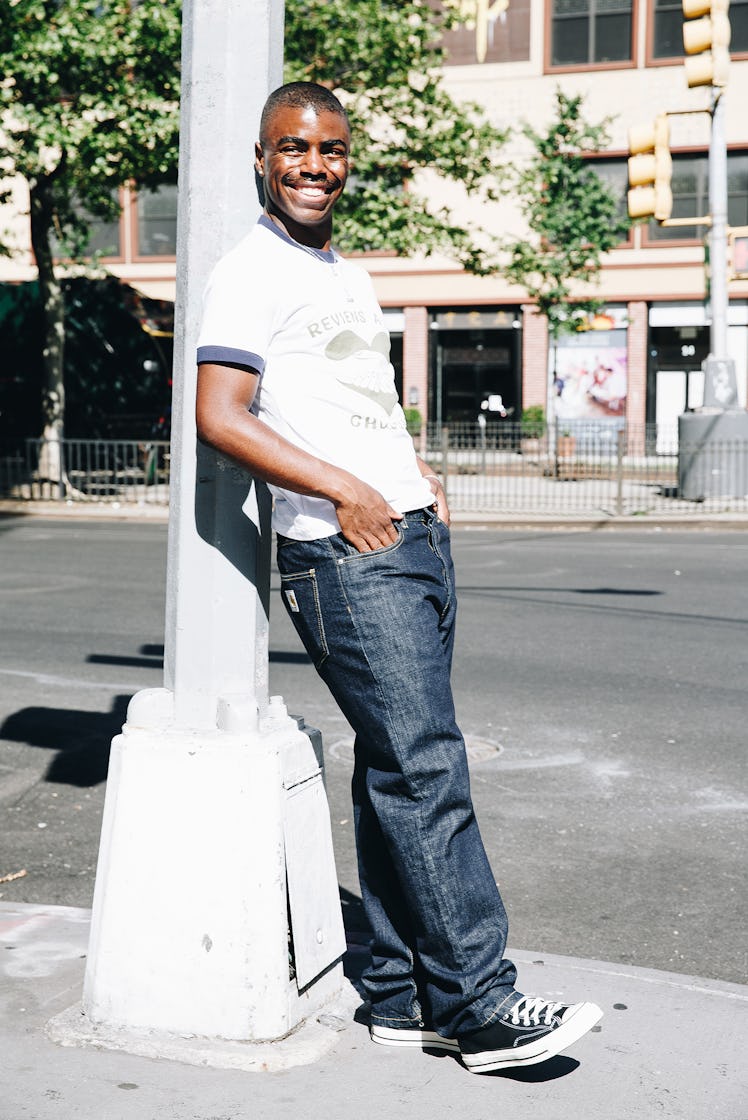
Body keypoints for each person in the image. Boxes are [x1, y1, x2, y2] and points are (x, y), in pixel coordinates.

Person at [195, 80, 602, 1074]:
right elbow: (220, 413)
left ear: (347, 160)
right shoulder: (248, 270)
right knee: (427, 766)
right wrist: (346, 492)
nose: (312, 165)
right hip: (345, 553)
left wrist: (413, 472)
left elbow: (354, 397)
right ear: (260, 157)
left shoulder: (345, 274)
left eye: (329, 149)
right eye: (291, 147)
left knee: (394, 771)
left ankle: (399, 993)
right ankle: (479, 1007)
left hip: (407, 534)